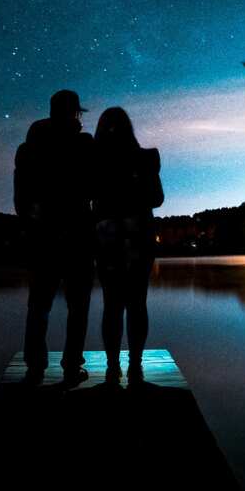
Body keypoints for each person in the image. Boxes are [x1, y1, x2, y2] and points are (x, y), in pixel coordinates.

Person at [13, 90, 96, 385]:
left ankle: (35, 367)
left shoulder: (28, 149)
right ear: (74, 113)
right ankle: (72, 367)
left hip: (42, 237)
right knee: (78, 306)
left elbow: (21, 197)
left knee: (39, 305)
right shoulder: (85, 145)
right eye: (78, 113)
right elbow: (94, 190)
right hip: (78, 236)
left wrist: (29, 226)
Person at [90, 107, 163, 386]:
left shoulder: (95, 161)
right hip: (139, 236)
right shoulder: (146, 158)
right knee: (137, 302)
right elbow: (156, 198)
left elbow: (89, 198)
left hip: (108, 238)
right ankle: (134, 367)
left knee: (112, 303)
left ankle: (113, 368)